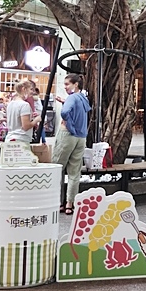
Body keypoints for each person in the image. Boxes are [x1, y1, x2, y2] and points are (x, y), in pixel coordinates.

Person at [53, 74, 91, 215]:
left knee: (57, 168)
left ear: (75, 84)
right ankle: (70, 203)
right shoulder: (83, 98)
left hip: (67, 135)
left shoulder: (72, 97)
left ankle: (58, 201)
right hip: (81, 138)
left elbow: (65, 112)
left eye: (67, 84)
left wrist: (68, 124)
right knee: (75, 172)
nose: (65, 87)